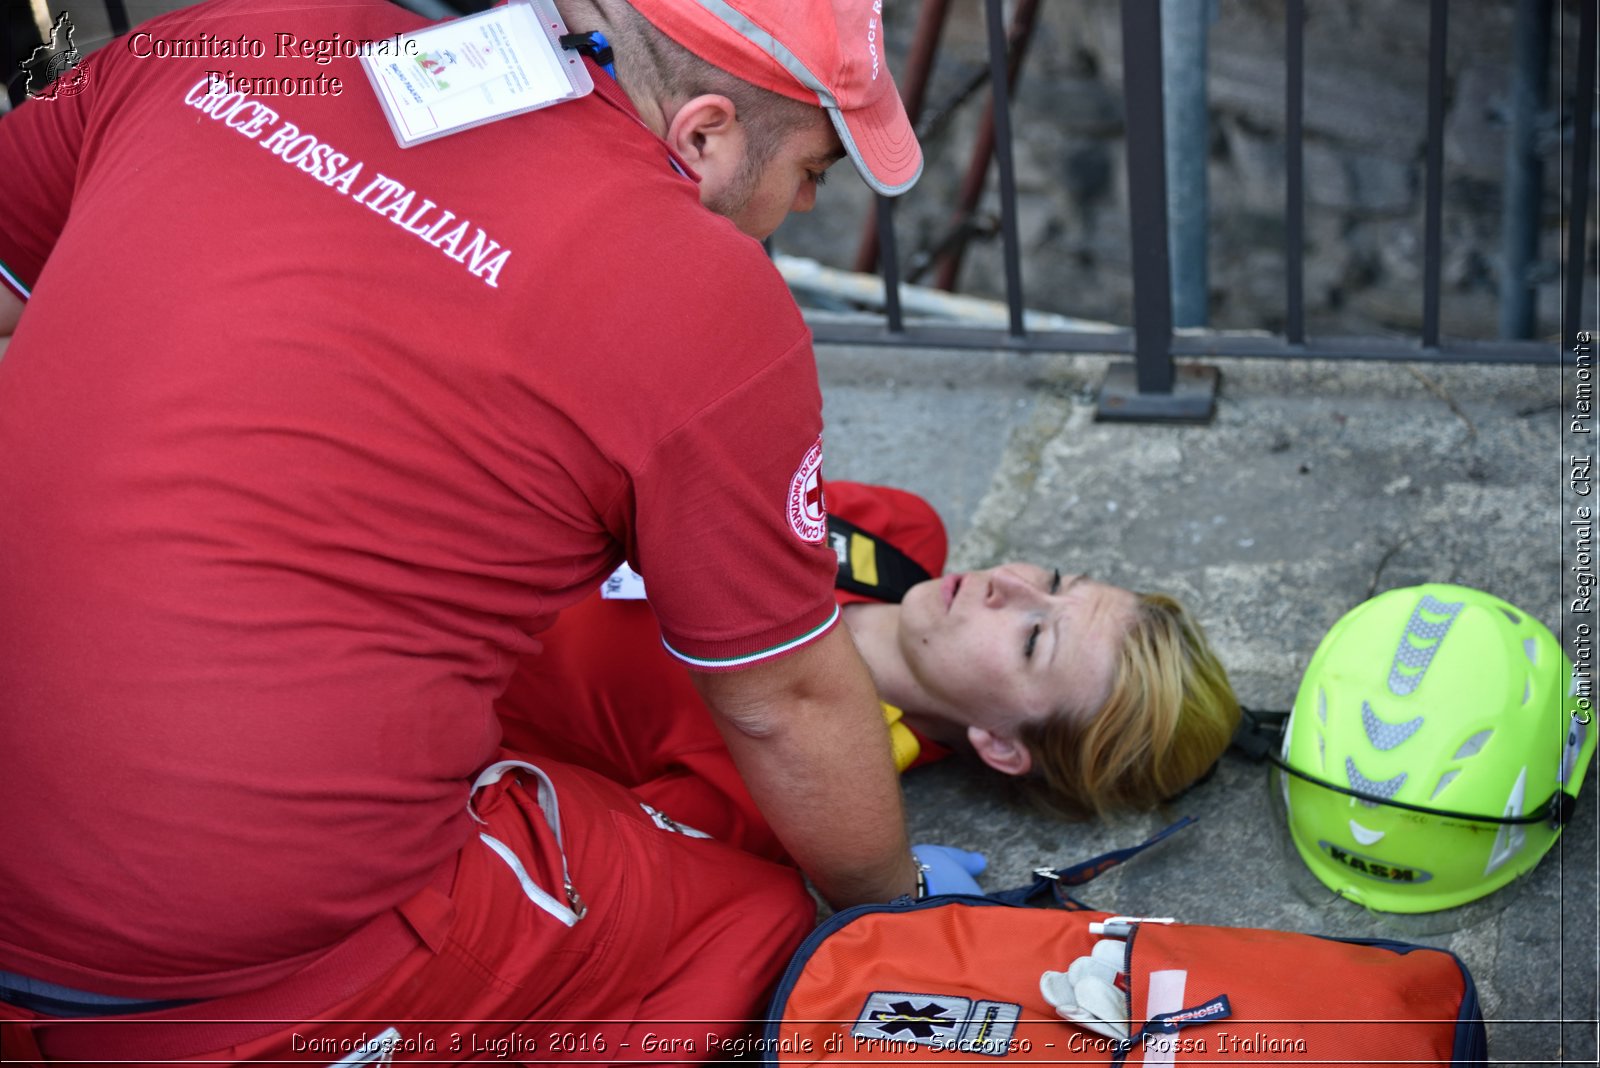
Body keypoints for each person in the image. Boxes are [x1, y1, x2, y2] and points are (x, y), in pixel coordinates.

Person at [0, 0, 953, 1061]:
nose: (807, 206)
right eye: (813, 171)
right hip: (210, 957)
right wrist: (888, 911)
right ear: (707, 135)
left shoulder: (241, 31)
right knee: (755, 922)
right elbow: (785, 701)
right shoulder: (702, 293)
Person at [500, 481, 1242, 863]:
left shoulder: (795, 784)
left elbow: (550, 819)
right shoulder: (896, 529)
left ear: (1003, 746)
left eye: (1031, 639)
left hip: (422, 640)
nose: (1007, 584)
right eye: (1053, 578)